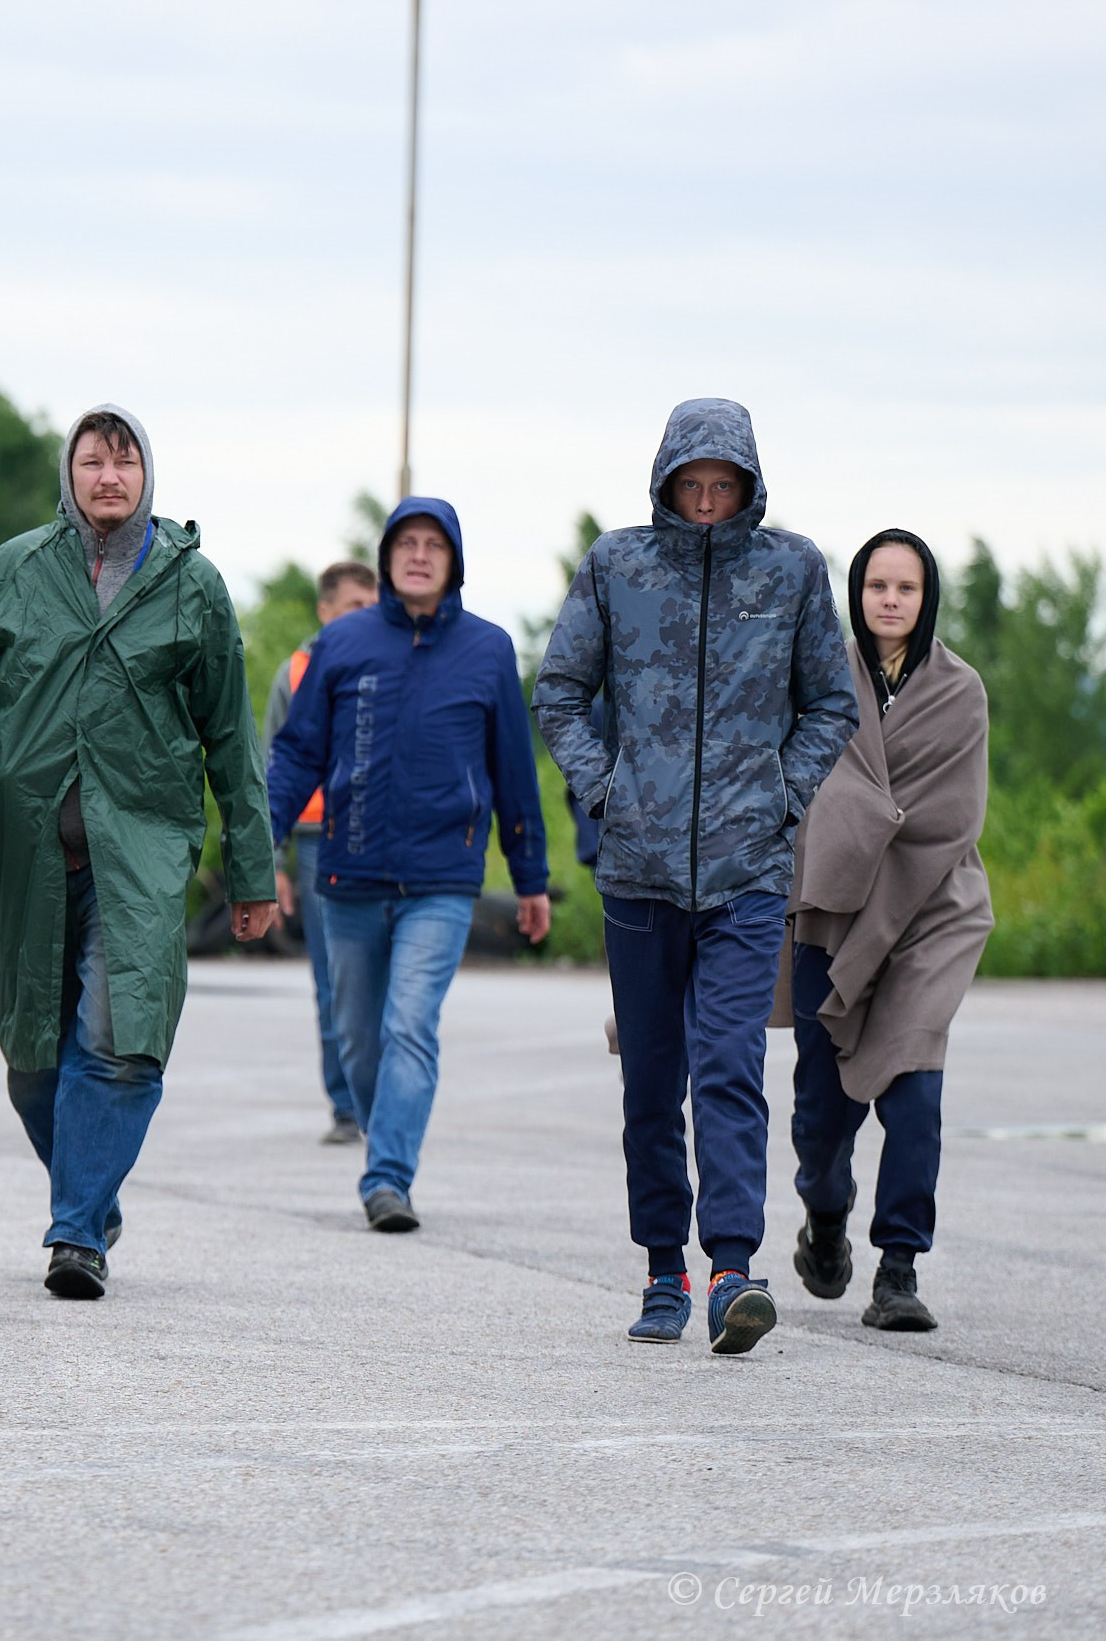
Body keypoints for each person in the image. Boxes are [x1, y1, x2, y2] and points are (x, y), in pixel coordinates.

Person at [0, 405, 275, 1302]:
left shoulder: (193, 585)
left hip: (140, 852)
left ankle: (75, 1236)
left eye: (125, 462)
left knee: (121, 1039)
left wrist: (253, 870)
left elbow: (231, 738)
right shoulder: (13, 570)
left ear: (147, 477)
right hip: (25, 847)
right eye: (93, 460)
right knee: (32, 1060)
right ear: (70, 473)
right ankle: (91, 1194)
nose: (109, 476)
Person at [535, 398, 857, 1356]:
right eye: (693, 485)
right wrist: (606, 790)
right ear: (667, 483)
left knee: (730, 1067)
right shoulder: (617, 565)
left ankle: (731, 1272)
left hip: (748, 874)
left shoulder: (792, 569)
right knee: (651, 1081)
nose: (709, 501)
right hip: (638, 872)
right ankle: (662, 1270)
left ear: (749, 486)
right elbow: (560, 691)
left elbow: (831, 703)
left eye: (724, 485)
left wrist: (783, 796)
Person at [266, 499, 550, 1234]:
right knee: (358, 1037)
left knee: (410, 1025)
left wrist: (530, 877)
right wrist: (259, 847)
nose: (419, 555)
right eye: (406, 543)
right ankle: (383, 1137)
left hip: (442, 879)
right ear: (387, 557)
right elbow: (296, 755)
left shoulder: (488, 649)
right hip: (350, 872)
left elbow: (514, 771)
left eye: (434, 545)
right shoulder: (342, 643)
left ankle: (388, 1176)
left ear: (454, 562)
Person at [780, 531, 989, 1334]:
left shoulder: (960, 691)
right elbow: (796, 784)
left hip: (929, 909)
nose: (891, 600)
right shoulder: (818, 679)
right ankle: (825, 1213)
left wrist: (858, 815)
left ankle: (899, 1267)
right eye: (877, 586)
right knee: (821, 1111)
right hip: (831, 910)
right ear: (857, 593)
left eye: (906, 587)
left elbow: (952, 816)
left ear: (927, 596)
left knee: (915, 1092)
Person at [260, 559, 377, 1145]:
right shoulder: (297, 671)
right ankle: (346, 1107)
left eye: (372, 606)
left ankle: (382, 1102)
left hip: (381, 837)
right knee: (333, 978)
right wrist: (271, 861)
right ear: (325, 610)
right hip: (314, 841)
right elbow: (274, 767)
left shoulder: (393, 661)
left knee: (383, 978)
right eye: (355, 606)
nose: (366, 616)